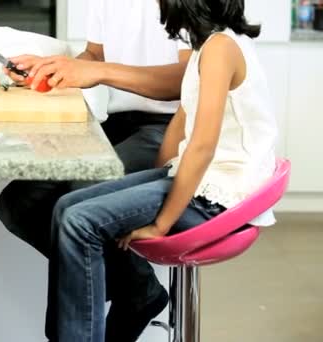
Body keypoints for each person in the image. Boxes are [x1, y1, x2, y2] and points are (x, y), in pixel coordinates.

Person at [48, 0, 277, 341]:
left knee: (79, 221)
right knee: (66, 206)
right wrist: (146, 187)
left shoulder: (220, 49)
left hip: (215, 195)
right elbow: (182, 125)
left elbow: (202, 146)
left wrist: (161, 222)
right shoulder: (208, 45)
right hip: (198, 179)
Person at [0, 1, 190, 340]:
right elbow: (95, 57)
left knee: (82, 190)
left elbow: (189, 78)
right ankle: (138, 288)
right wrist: (55, 69)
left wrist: (101, 72)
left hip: (173, 124)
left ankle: (94, 316)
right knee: (18, 204)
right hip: (117, 120)